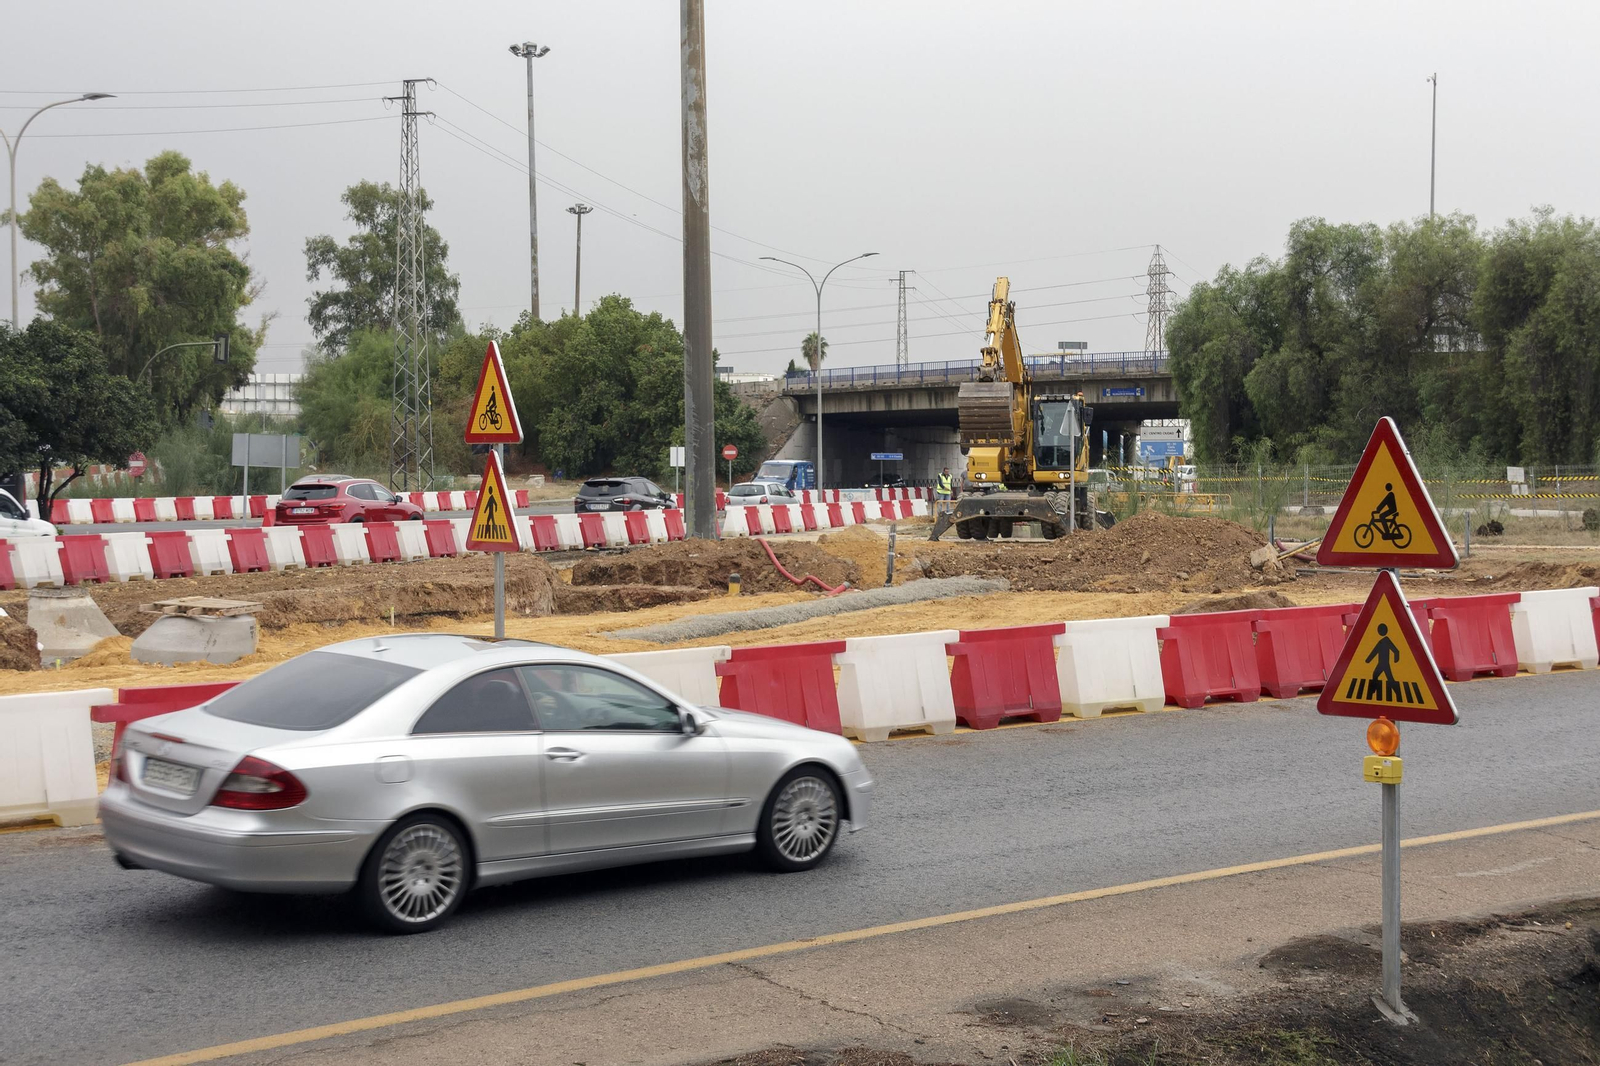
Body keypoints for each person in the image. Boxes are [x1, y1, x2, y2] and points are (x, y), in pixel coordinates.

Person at [1365, 622, 1402, 702]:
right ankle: (1373, 691)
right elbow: (1375, 652)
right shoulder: (1382, 641)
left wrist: (1396, 659)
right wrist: (1368, 660)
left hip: (1384, 664)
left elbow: (1396, 651)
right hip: (1381, 664)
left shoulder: (1386, 641)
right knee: (1376, 675)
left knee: (1387, 678)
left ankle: (1398, 694)